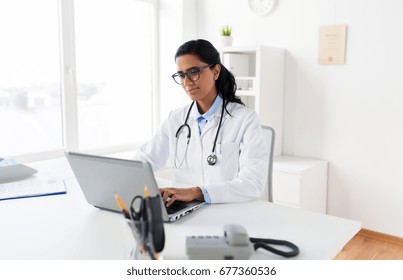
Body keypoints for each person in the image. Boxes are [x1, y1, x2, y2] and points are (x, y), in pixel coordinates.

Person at [133, 39, 268, 207]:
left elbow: (252, 183)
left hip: (228, 208)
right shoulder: (175, 119)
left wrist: (196, 192)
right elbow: (146, 159)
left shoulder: (245, 119)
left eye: (194, 71)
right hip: (184, 210)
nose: (187, 82)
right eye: (181, 75)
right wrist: (120, 177)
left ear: (215, 71)